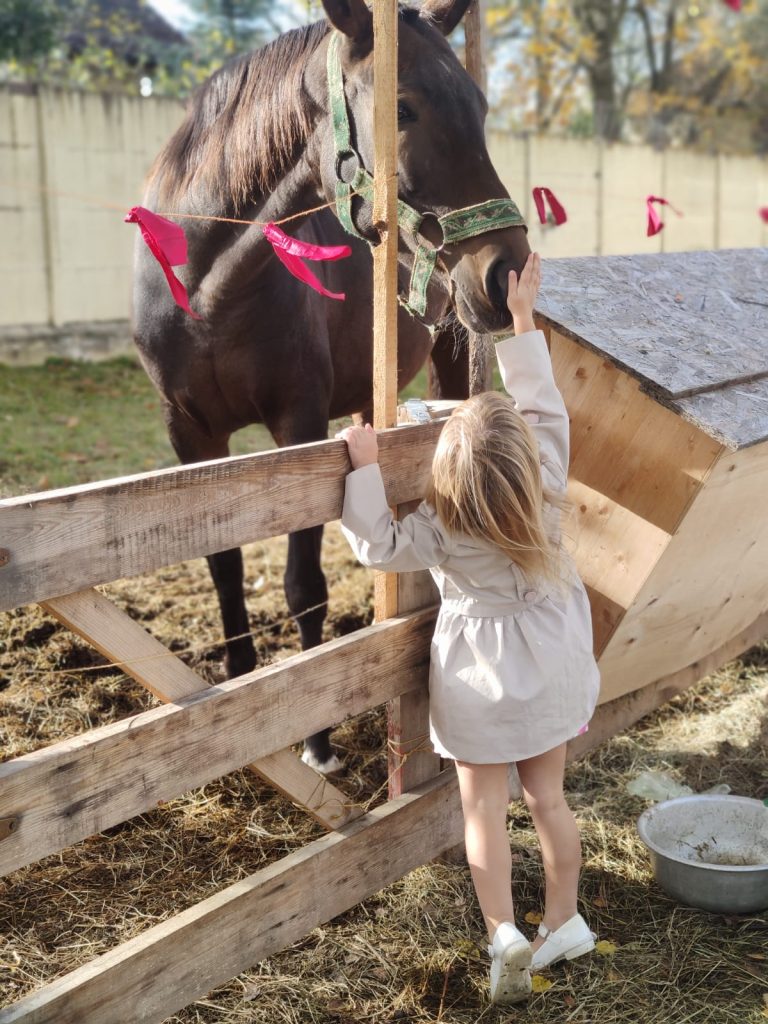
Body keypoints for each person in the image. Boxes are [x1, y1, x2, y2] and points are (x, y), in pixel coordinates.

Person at [337, 252, 600, 1005]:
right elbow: (544, 409)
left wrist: (363, 465)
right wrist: (520, 325)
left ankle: (503, 934)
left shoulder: (440, 529)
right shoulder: (544, 484)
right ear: (521, 461)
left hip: (478, 680)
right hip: (549, 659)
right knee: (549, 801)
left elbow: (376, 544)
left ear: (447, 475)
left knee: (483, 807)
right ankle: (564, 921)